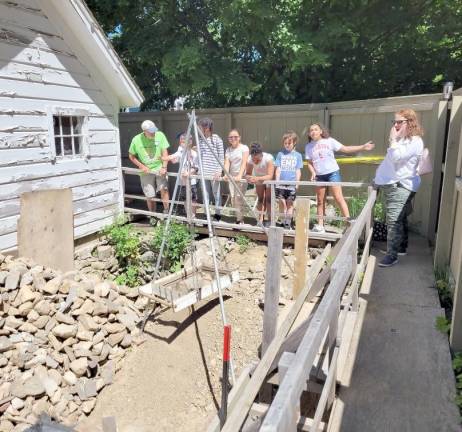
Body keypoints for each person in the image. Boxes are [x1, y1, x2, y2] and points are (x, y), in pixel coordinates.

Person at [374, 109, 424, 267]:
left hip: (400, 186)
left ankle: (392, 255)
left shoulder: (415, 141)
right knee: (400, 218)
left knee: (393, 221)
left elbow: (396, 158)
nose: (395, 125)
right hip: (394, 184)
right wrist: (377, 178)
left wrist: (392, 140)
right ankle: (400, 248)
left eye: (399, 122)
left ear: (410, 122)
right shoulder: (402, 140)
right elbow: (389, 163)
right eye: (394, 122)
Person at [305, 123, 374, 233]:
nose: (313, 132)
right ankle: (320, 226)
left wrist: (363, 147)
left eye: (316, 129)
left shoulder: (329, 141)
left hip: (332, 173)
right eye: (311, 130)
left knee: (338, 197)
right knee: (319, 200)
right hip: (319, 176)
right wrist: (313, 172)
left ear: (321, 131)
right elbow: (309, 162)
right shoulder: (308, 146)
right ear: (309, 133)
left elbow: (346, 149)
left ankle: (348, 223)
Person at [128, 120, 170, 213]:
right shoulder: (136, 139)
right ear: (144, 131)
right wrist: (142, 166)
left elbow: (165, 151)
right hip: (146, 170)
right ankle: (153, 215)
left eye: (154, 130)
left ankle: (167, 212)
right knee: (149, 194)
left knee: (164, 189)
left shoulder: (160, 135)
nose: (154, 132)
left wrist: (164, 167)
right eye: (151, 131)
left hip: (159, 167)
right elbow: (131, 156)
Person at [162, 133, 199, 217]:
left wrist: (188, 173)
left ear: (189, 141)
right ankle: (188, 215)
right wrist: (165, 158)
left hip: (191, 181)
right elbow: (174, 160)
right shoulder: (180, 151)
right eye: (181, 140)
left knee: (192, 199)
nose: (181, 141)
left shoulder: (194, 153)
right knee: (185, 199)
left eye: (183, 140)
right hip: (182, 181)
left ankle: (193, 216)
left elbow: (196, 168)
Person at [274, 131, 303, 229]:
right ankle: (282, 220)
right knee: (282, 203)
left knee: (290, 204)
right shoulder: (280, 154)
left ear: (294, 142)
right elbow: (278, 169)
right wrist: (277, 182)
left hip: (291, 184)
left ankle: (288, 223)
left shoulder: (298, 155)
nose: (287, 145)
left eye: (289, 143)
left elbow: (298, 170)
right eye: (285, 143)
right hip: (281, 183)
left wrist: (297, 183)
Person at [197, 117, 224, 221]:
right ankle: (206, 214)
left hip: (214, 173)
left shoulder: (216, 139)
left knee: (216, 194)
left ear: (207, 127)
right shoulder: (200, 139)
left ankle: (217, 215)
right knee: (205, 195)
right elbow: (199, 157)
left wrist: (219, 171)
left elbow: (221, 156)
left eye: (201, 127)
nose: (199, 129)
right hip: (203, 172)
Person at [245, 142, 275, 226]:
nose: (255, 161)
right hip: (258, 179)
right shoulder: (250, 159)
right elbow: (248, 173)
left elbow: (270, 175)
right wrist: (249, 178)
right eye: (254, 159)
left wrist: (257, 178)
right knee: (260, 199)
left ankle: (270, 220)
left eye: (257, 160)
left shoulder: (268, 158)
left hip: (269, 179)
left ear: (261, 155)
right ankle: (260, 220)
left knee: (269, 199)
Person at [224, 129, 249, 224]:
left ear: (239, 138)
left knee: (239, 198)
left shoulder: (244, 148)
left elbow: (244, 162)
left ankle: (240, 220)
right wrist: (226, 173)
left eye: (235, 137)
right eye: (231, 137)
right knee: (233, 199)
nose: (233, 138)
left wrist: (239, 175)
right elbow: (227, 162)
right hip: (232, 177)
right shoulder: (228, 150)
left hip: (241, 177)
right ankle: (238, 217)